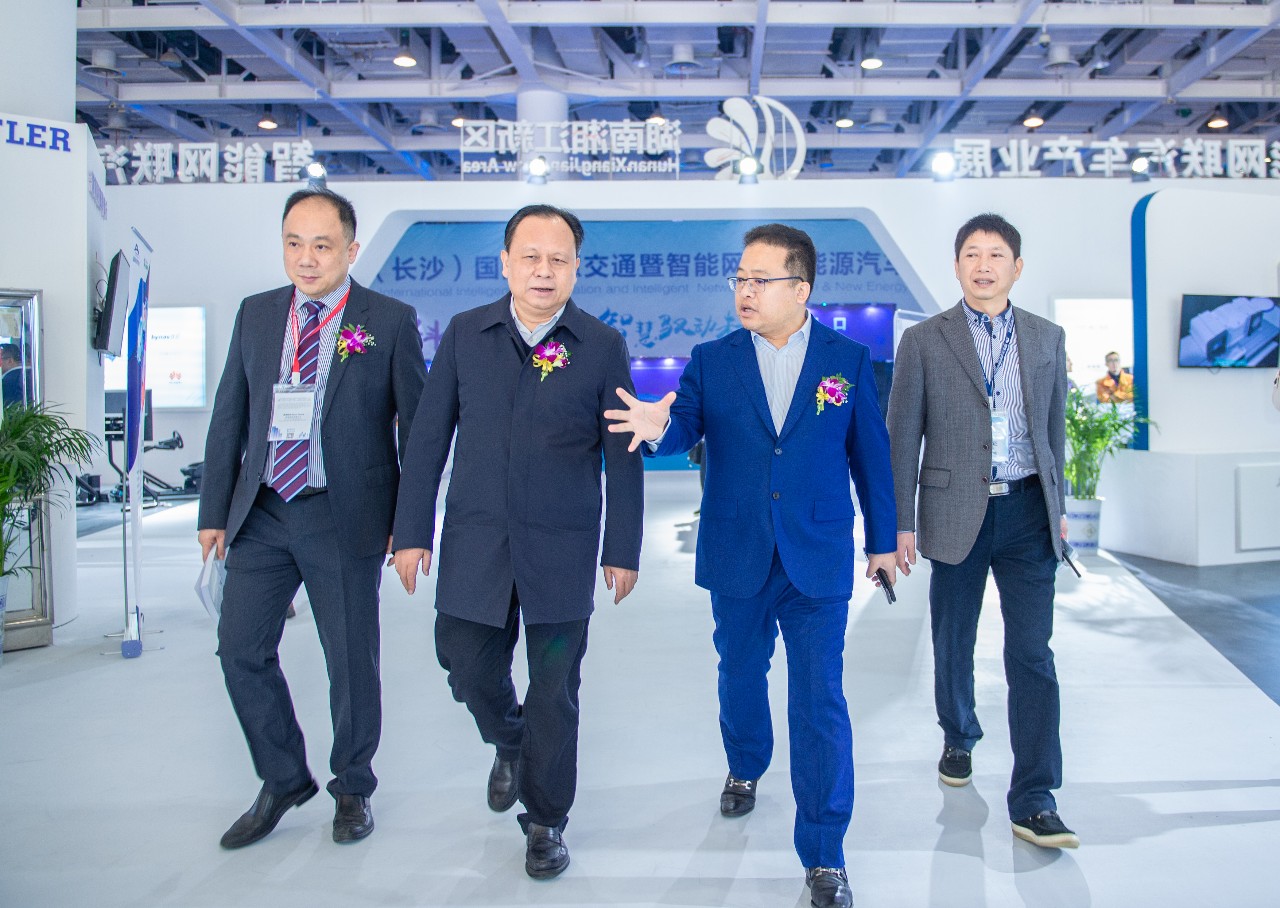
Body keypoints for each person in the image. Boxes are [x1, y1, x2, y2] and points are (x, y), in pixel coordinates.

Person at [605, 223, 896, 908]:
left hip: (816, 554)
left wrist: (883, 540)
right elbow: (684, 425)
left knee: (820, 700)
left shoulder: (848, 361)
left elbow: (870, 456)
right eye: (739, 279)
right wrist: (658, 428)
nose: (745, 291)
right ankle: (745, 764)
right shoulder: (713, 359)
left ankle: (825, 855)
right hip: (738, 549)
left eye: (760, 280)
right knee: (740, 671)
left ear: (801, 289)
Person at [391, 204, 643, 881]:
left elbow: (623, 452)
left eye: (558, 259)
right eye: (530, 256)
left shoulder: (601, 344)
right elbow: (427, 439)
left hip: (562, 549)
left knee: (555, 691)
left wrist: (622, 547)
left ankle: (545, 821)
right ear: (505, 262)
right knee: (464, 663)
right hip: (476, 541)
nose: (543, 270)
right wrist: (411, 531)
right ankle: (510, 741)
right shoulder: (466, 334)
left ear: (576, 268)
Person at [198, 187, 427, 850]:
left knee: (351, 660)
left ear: (350, 250)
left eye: (321, 246)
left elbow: (416, 431)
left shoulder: (388, 319)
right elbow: (229, 414)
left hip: (343, 513)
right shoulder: (258, 313)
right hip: (264, 510)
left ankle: (352, 786)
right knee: (240, 648)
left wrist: (410, 524)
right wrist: (214, 509)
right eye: (294, 243)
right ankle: (282, 778)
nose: (306, 258)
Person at [886, 213, 1078, 850]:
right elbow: (901, 437)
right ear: (957, 266)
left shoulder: (1047, 337)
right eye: (972, 253)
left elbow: (1054, 431)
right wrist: (901, 521)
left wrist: (1058, 505)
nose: (984, 265)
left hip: (1028, 513)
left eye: (997, 254)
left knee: (1033, 654)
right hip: (953, 511)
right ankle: (959, 734)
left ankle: (1036, 796)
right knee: (953, 640)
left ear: (1017, 268)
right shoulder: (924, 340)